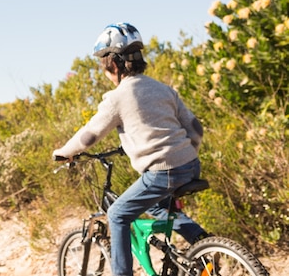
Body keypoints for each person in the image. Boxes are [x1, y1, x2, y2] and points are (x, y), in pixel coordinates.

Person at [53, 22, 208, 276]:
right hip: (190, 164)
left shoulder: (118, 96)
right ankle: (205, 246)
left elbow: (90, 135)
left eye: (103, 64)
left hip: (163, 172)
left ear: (112, 64)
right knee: (159, 207)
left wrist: (65, 151)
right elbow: (195, 128)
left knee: (116, 214)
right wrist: (181, 154)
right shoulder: (163, 89)